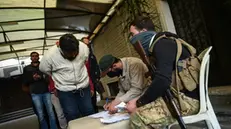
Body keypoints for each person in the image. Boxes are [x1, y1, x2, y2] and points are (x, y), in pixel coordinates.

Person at [126, 16, 200, 128]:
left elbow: (162, 80)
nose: (132, 39)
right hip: (180, 97)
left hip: (188, 101)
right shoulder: (162, 44)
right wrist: (138, 100)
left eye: (133, 34)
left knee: (138, 118)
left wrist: (138, 103)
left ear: (144, 32)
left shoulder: (162, 44)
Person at [39, 34, 94, 122]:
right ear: (61, 49)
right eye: (69, 54)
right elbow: (44, 70)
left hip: (83, 86)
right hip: (65, 90)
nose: (73, 56)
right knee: (71, 114)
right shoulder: (50, 56)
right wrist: (60, 78)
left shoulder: (84, 48)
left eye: (75, 52)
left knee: (88, 110)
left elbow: (85, 62)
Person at [22, 52, 58, 129]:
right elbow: (25, 82)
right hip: (35, 94)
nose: (34, 57)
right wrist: (33, 78)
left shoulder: (43, 66)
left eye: (36, 56)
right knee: (40, 114)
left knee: (51, 112)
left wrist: (41, 77)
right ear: (30, 58)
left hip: (46, 92)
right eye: (33, 56)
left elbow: (49, 79)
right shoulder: (26, 68)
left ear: (38, 57)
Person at [81, 37, 102, 113]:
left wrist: (97, 77)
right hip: (85, 81)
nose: (87, 46)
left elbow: (96, 66)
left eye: (88, 44)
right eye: (85, 44)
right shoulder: (81, 56)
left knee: (94, 100)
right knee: (88, 102)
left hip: (93, 80)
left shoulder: (92, 55)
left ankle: (95, 113)